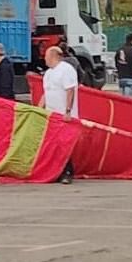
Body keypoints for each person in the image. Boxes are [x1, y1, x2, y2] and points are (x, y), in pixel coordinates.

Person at [41, 46, 79, 184]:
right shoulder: (48, 73)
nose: (44, 59)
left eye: (46, 56)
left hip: (64, 115)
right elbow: (46, 93)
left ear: (54, 55)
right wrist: (39, 110)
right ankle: (59, 170)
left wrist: (67, 111)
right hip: (52, 115)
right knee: (55, 145)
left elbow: (70, 91)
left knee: (64, 144)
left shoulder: (66, 69)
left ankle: (67, 172)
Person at [113, 33, 132, 97]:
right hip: (131, 76)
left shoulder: (119, 50)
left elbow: (116, 61)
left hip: (121, 76)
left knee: (122, 96)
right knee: (129, 98)